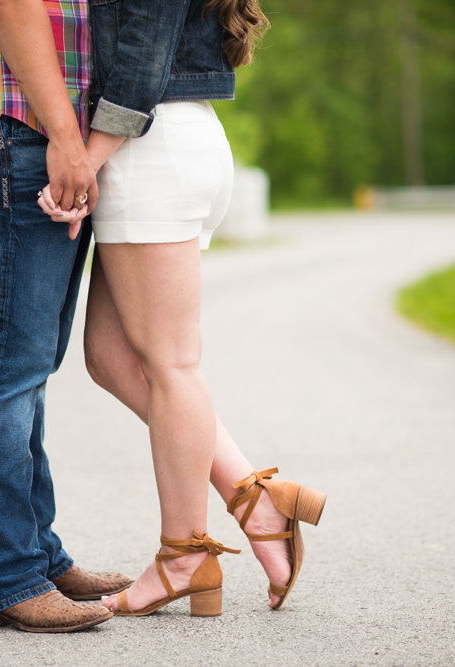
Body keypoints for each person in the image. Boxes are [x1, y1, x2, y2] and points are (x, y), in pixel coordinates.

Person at [38, 0, 327, 616]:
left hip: (149, 147)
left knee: (172, 364)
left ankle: (184, 556)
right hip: (168, 139)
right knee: (113, 358)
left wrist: (81, 165)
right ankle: (256, 498)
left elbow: (141, 61)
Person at [0, 0, 132, 633]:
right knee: (9, 358)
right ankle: (2, 575)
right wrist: (68, 140)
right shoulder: (41, 132)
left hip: (39, 124)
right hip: (21, 122)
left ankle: (34, 555)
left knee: (30, 358)